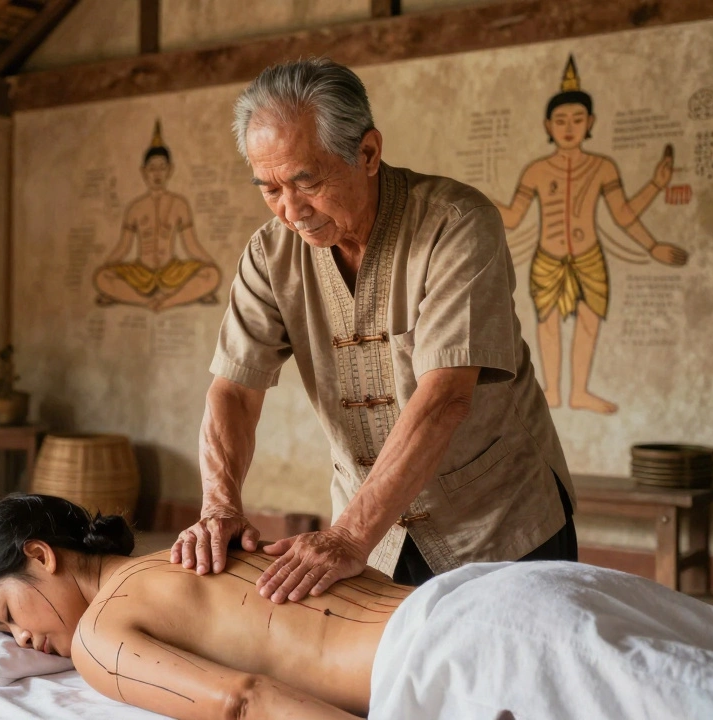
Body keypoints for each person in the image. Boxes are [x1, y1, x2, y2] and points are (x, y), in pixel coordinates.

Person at [174, 57, 576, 600]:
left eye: (306, 181)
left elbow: (444, 401)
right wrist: (220, 508)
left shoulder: (456, 225)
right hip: (373, 541)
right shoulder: (270, 254)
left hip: (497, 525)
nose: (291, 210)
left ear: (367, 153)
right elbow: (233, 392)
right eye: (269, 188)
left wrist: (345, 536)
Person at [0, 495, 713, 720]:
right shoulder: (184, 552)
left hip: (467, 652)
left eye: (5, 616)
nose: (26, 640)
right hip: (513, 587)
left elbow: (242, 703)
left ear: (42, 556)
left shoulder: (103, 636)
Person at [490, 56, 689, 414]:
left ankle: (579, 391)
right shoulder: (536, 170)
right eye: (562, 120)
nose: (569, 127)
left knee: (589, 323)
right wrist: (480, 200)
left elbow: (623, 214)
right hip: (547, 259)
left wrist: (654, 228)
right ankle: (551, 390)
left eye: (578, 119)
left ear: (590, 122)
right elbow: (515, 218)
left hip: (589, 255)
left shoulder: (602, 166)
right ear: (548, 125)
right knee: (547, 326)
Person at [93, 120, 221, 312]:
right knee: (102, 277)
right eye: (152, 168)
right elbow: (123, 246)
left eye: (162, 167)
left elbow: (191, 245)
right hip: (140, 272)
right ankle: (147, 302)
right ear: (143, 172)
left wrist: (210, 264)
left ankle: (166, 302)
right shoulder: (135, 207)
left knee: (211, 275)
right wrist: (106, 268)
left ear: (170, 169)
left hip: (171, 270)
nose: (157, 173)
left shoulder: (179, 204)